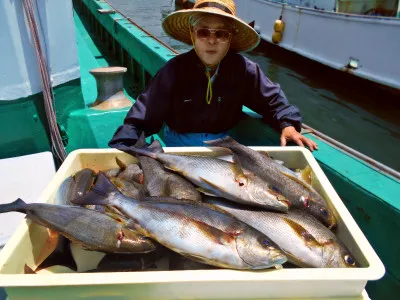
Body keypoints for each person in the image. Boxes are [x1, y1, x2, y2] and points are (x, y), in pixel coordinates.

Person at [109, 0, 318, 151]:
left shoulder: (244, 70)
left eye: (221, 34)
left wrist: (288, 125)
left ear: (230, 39)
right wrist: (127, 144)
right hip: (178, 147)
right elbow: (142, 118)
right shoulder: (173, 71)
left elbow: (273, 102)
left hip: (224, 147)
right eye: (203, 32)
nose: (211, 41)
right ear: (192, 35)